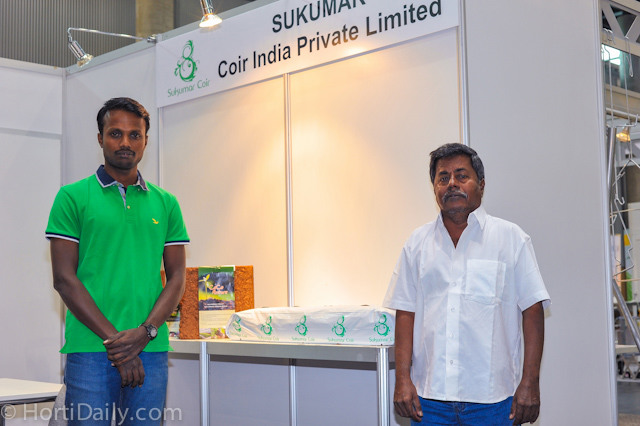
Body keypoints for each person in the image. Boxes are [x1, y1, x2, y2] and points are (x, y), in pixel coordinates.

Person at [383, 143, 550, 425]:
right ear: (434, 188)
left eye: (461, 176)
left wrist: (530, 382)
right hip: (429, 400)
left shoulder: (511, 239)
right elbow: (405, 312)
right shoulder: (417, 244)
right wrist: (402, 379)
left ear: (481, 184)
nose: (452, 184)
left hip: (494, 400)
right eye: (443, 177)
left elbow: (533, 311)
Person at [46, 97, 189, 425]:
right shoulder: (72, 197)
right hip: (91, 349)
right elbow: (64, 279)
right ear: (100, 138)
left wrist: (144, 333)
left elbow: (177, 277)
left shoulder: (167, 203)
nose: (126, 142)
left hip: (150, 349)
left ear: (145, 141)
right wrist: (118, 344)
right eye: (115, 133)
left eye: (134, 135)